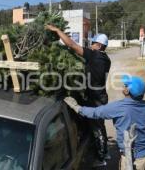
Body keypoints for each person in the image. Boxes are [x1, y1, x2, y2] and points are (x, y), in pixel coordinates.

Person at [45, 25, 111, 166]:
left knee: (96, 127)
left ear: (99, 46)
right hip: (101, 96)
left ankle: (101, 158)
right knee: (100, 125)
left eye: (93, 43)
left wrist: (57, 31)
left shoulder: (95, 55)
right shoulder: (106, 59)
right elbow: (81, 55)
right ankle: (105, 151)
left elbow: (72, 45)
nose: (91, 45)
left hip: (95, 99)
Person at [65, 75, 145, 170]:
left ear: (127, 91)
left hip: (132, 160)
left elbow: (95, 113)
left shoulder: (119, 107)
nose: (123, 86)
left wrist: (76, 107)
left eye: (125, 85)